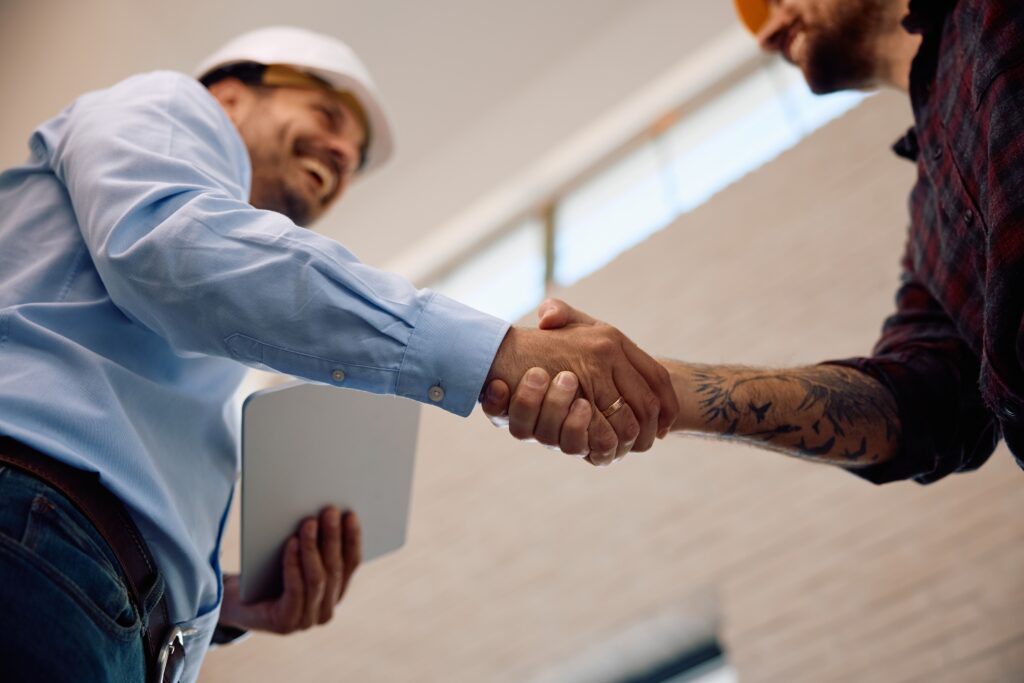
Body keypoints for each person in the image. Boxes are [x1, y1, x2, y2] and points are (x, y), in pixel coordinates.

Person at [0, 26, 678, 682]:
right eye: (325, 113)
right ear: (231, 93)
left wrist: (227, 601)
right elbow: (169, 249)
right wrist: (497, 352)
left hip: (95, 598)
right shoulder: (170, 102)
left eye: (353, 160)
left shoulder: (213, 319)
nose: (340, 157)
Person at [486, 0, 1024, 485]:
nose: (768, 36)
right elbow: (921, 406)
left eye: (773, 1)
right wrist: (649, 382)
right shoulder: (931, 227)